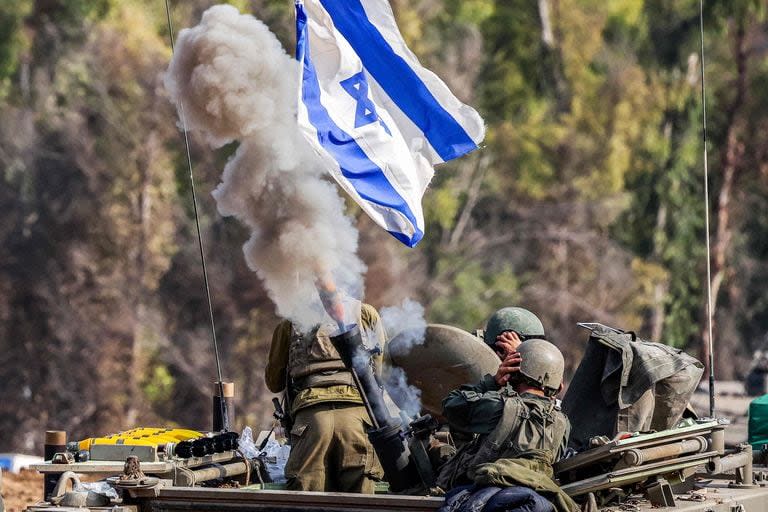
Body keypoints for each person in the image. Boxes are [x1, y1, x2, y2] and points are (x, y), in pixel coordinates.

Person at [264, 299, 385, 493]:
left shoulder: (291, 321)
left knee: (309, 502)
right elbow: (378, 375)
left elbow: (274, 382)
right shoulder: (365, 313)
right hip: (358, 422)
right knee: (362, 503)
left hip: (311, 422)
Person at [435, 338, 570, 490]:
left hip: (481, 492)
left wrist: (492, 382)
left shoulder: (499, 407)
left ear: (513, 371)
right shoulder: (562, 423)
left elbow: (451, 405)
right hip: (534, 495)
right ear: (559, 387)